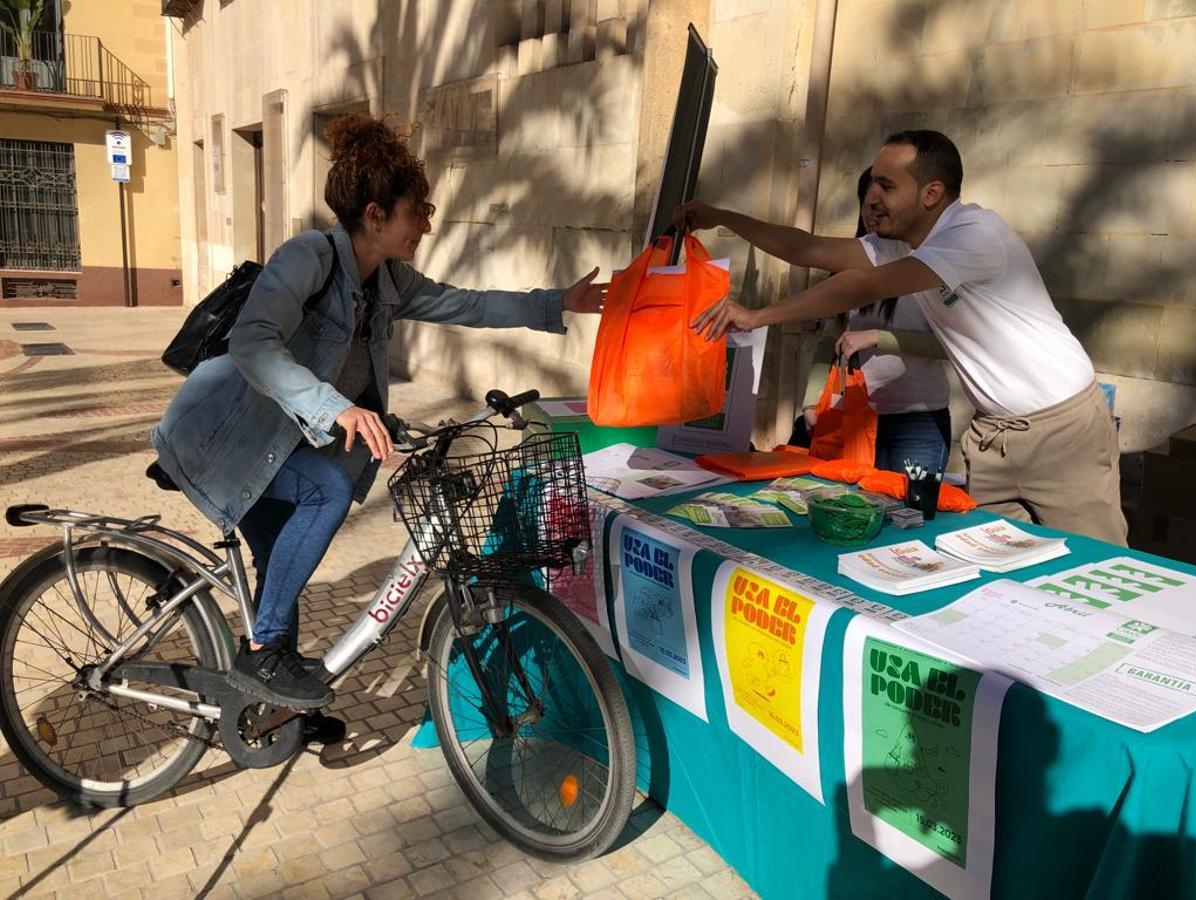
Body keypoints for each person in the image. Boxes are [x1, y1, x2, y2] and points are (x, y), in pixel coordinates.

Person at [152, 114, 605, 731]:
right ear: (374, 215)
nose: (427, 222)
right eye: (417, 209)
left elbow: (463, 303)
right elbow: (255, 341)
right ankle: (263, 656)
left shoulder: (386, 279)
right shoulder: (310, 256)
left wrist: (555, 303)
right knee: (328, 491)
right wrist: (336, 408)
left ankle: (272, 699)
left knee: (279, 566)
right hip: (222, 439)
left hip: (269, 444)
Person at [675, 130, 1126, 545]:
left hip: (1063, 431)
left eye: (887, 186)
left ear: (932, 193)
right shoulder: (902, 243)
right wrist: (719, 217)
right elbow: (806, 248)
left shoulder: (975, 234)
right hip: (993, 436)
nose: (871, 197)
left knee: (1098, 568)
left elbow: (860, 286)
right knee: (994, 566)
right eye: (872, 184)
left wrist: (757, 316)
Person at [796, 166, 950, 474]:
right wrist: (811, 402)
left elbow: (948, 345)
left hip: (917, 421)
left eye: (881, 201)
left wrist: (878, 337)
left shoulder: (933, 262)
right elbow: (829, 339)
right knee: (845, 509)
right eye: (866, 202)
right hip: (851, 414)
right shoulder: (851, 262)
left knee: (907, 516)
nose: (872, 210)